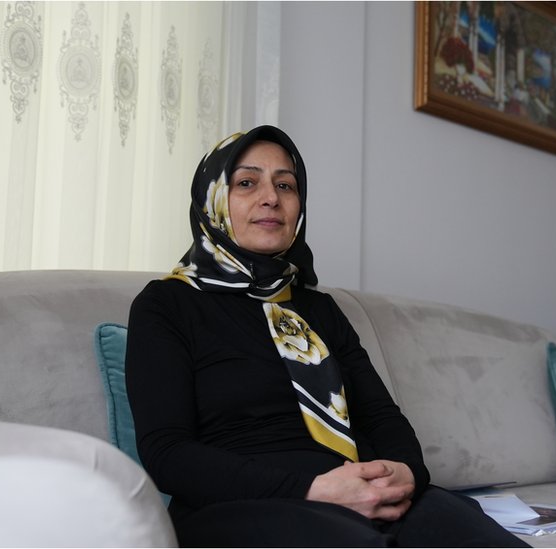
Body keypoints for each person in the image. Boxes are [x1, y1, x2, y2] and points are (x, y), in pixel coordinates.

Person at [125, 125, 529, 547]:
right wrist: (315, 489)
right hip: (241, 505)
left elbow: (381, 417)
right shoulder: (167, 304)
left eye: (286, 185)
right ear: (212, 199)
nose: (271, 198)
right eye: (247, 183)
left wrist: (406, 473)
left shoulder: (319, 309)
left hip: (360, 488)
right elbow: (167, 452)